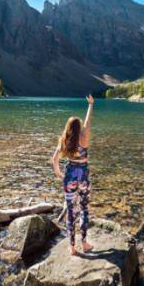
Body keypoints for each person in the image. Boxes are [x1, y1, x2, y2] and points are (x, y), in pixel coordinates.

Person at [51, 95, 95, 255]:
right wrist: (91, 105)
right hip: (83, 174)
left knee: (70, 210)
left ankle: (72, 247)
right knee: (83, 208)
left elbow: (55, 159)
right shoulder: (84, 137)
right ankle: (84, 243)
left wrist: (59, 174)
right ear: (79, 128)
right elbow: (88, 121)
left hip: (69, 174)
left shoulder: (64, 140)